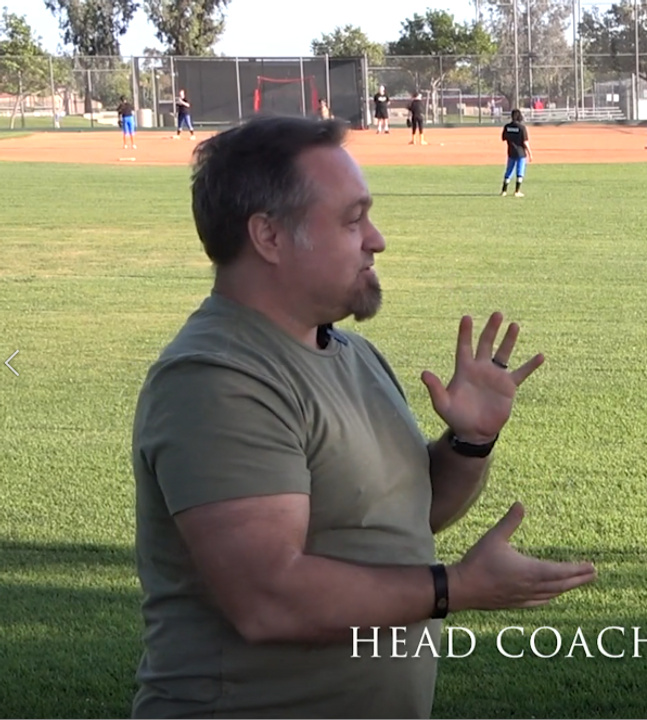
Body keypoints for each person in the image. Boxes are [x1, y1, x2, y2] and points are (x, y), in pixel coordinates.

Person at [129, 115, 596, 718]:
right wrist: (455, 587)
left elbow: (398, 517)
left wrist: (469, 442)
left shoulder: (348, 352)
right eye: (352, 220)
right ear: (269, 236)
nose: (377, 240)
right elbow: (269, 600)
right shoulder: (218, 379)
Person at [501, 109, 531, 197]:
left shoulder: (507, 127)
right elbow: (525, 142)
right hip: (521, 153)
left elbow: (503, 138)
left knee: (509, 171)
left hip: (511, 152)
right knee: (520, 171)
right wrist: (530, 153)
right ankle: (517, 191)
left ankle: (504, 191)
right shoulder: (522, 128)